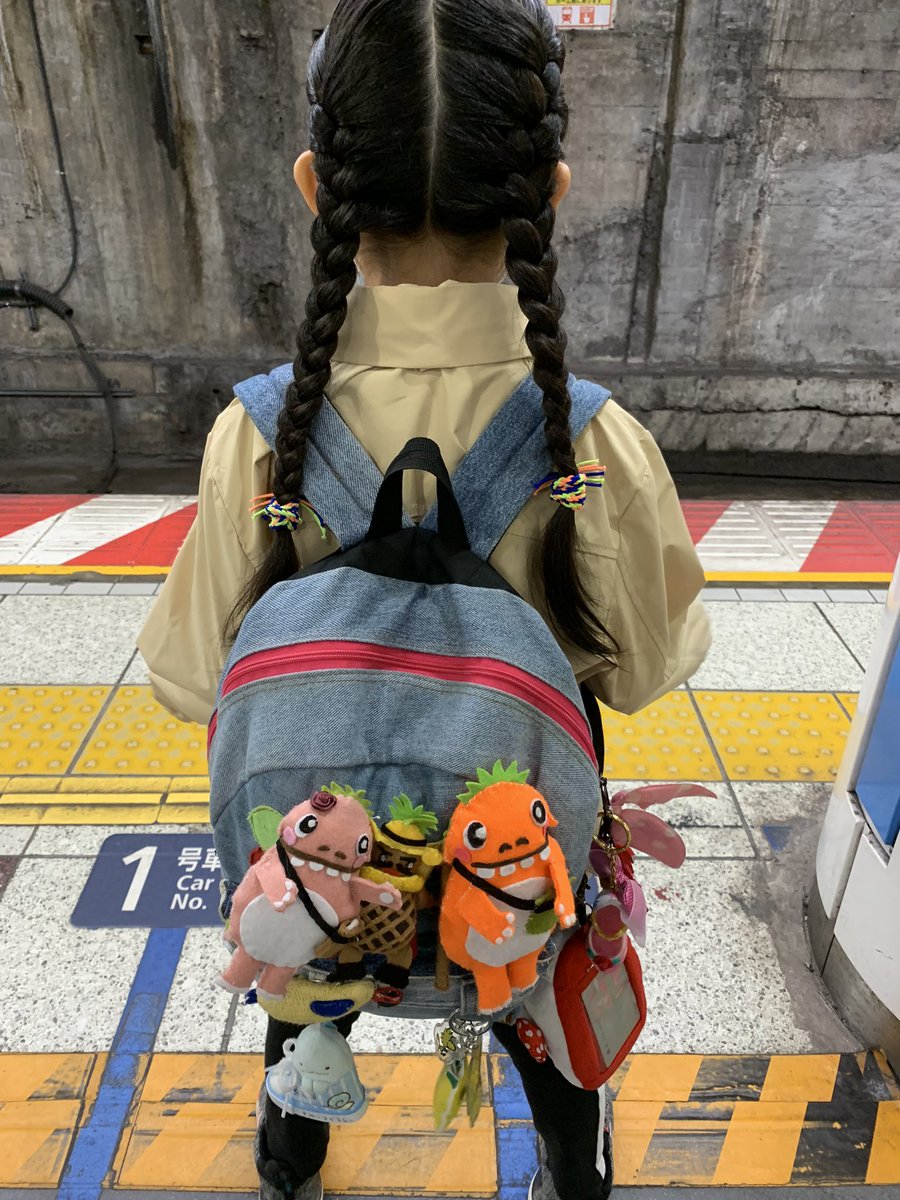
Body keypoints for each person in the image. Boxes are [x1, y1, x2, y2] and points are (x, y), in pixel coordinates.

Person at [139, 2, 710, 1197]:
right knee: (545, 1018)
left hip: (321, 863)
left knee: (302, 986)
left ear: (316, 186)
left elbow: (193, 681)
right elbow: (646, 670)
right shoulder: (592, 441)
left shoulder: (262, 434)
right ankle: (573, 1169)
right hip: (513, 866)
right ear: (550, 193)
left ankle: (291, 1156)